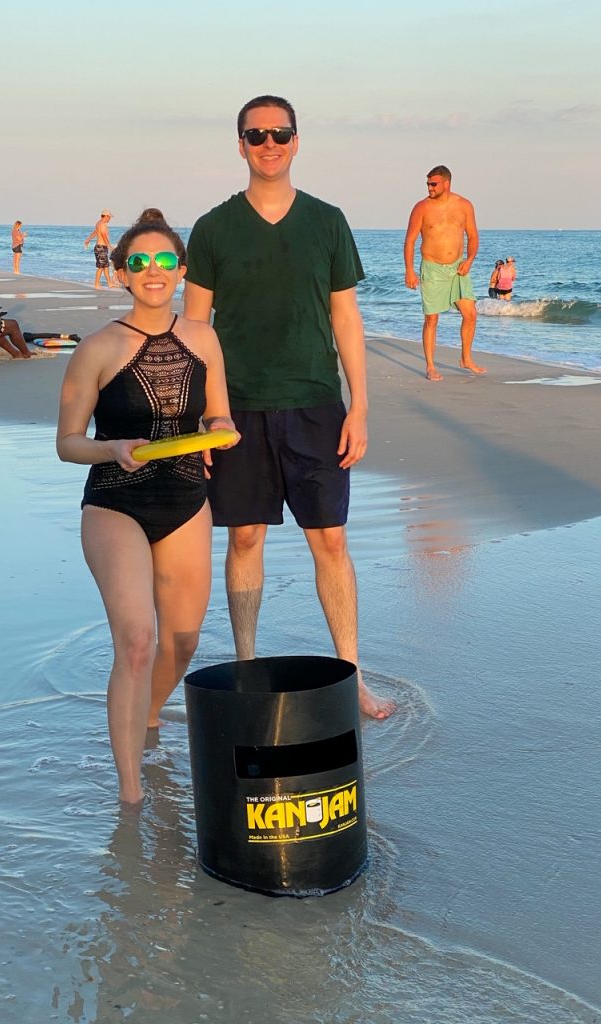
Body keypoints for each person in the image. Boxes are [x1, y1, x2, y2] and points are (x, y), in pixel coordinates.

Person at [184, 94, 394, 721]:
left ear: (297, 141)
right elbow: (195, 328)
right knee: (245, 536)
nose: (268, 143)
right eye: (256, 135)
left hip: (314, 403)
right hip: (236, 410)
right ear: (240, 144)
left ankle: (350, 677)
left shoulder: (327, 221)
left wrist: (360, 406)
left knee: (329, 539)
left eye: (280, 133)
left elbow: (346, 318)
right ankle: (247, 670)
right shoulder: (214, 227)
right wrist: (200, 419)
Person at [56, 209, 238, 804]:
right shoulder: (99, 346)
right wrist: (110, 447)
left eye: (164, 261)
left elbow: (218, 413)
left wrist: (221, 430)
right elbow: (67, 443)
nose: (153, 271)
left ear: (181, 270)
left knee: (181, 643)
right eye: (139, 262)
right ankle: (131, 793)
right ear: (121, 274)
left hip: (187, 499)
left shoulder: (205, 338)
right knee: (137, 640)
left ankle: (148, 714)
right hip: (115, 502)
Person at [404, 166, 485, 380]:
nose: (429, 187)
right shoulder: (421, 207)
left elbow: (473, 237)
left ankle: (466, 358)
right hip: (432, 268)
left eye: (434, 184)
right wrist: (409, 270)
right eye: (428, 184)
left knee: (471, 314)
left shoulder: (464, 205)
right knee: (431, 319)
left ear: (446, 184)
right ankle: (430, 366)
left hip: (457, 268)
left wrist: (469, 260)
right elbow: (410, 240)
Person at [84, 210, 115, 288]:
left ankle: (109, 283)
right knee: (101, 267)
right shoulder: (103, 225)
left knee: (106, 266)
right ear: (106, 216)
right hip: (101, 248)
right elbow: (104, 236)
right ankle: (96, 284)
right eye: (109, 217)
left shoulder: (98, 223)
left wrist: (88, 239)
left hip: (100, 247)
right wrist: (109, 246)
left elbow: (95, 232)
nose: (110, 219)